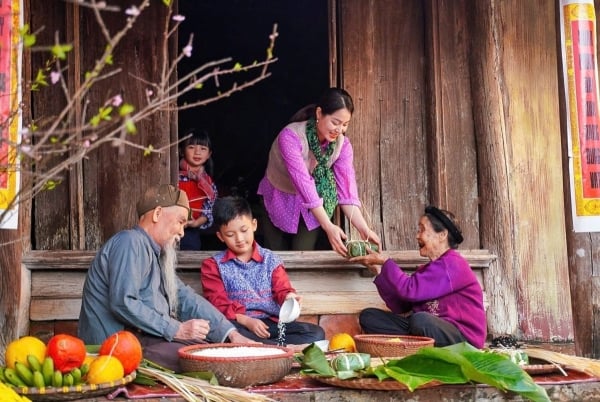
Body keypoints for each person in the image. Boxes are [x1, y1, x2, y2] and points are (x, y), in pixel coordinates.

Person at [78, 184, 254, 372]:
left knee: (212, 349)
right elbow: (123, 302)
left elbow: (185, 297)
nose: (182, 233)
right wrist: (176, 329)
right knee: (202, 358)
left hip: (141, 341)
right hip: (115, 349)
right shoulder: (130, 242)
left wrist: (230, 333)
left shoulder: (156, 255)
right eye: (180, 222)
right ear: (157, 214)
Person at [257, 87, 381, 256]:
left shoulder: (342, 146)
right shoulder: (291, 137)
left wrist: (364, 229)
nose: (340, 130)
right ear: (319, 113)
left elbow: (346, 192)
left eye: (345, 124)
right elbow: (303, 182)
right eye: (335, 122)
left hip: (314, 204)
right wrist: (328, 226)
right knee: (275, 254)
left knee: (304, 254)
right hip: (279, 196)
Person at [350, 206, 486, 349]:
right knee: (369, 317)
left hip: (463, 338)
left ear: (442, 235)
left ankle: (408, 346)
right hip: (426, 330)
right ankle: (411, 346)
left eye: (422, 230)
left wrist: (385, 262)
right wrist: (378, 271)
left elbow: (410, 290)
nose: (417, 235)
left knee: (420, 320)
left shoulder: (453, 264)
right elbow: (401, 306)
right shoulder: (427, 269)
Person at [201, 196, 326, 349]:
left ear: (254, 225)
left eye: (244, 230)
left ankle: (266, 348)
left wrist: (290, 297)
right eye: (230, 235)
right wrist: (247, 321)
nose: (239, 239)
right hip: (241, 324)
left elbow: (282, 289)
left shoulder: (270, 260)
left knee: (316, 334)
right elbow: (217, 304)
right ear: (220, 236)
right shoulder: (213, 265)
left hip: (271, 325)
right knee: (228, 334)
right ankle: (280, 349)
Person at [178, 129, 218, 250]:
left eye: (203, 148)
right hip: (169, 226)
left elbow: (209, 209)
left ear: (209, 154)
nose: (197, 152)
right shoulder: (173, 176)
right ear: (181, 151)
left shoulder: (209, 184)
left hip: (191, 230)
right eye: (191, 147)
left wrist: (195, 223)